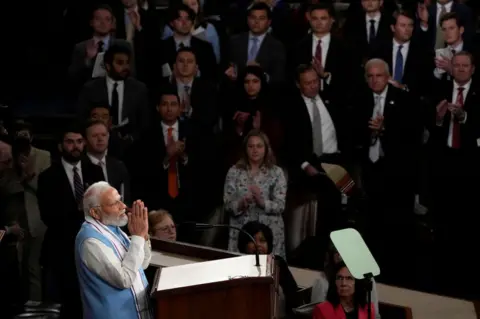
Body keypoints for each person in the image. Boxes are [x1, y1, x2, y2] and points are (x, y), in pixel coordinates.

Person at [75, 182, 152, 319]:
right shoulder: (91, 241)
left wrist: (143, 235)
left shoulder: (114, 228)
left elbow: (142, 264)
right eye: (114, 203)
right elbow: (124, 279)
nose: (123, 206)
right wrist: (137, 237)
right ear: (95, 212)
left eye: (120, 200)